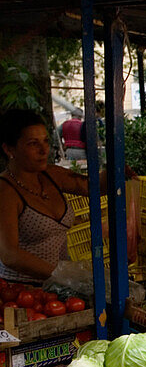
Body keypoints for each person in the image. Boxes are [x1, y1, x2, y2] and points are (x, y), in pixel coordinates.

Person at [0, 110, 99, 282]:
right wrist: (61, 275)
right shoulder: (5, 190)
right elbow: (10, 255)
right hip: (22, 292)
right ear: (9, 149)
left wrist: (119, 171)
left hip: (58, 288)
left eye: (45, 141)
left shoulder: (51, 174)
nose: (43, 150)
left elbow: (92, 186)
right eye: (33, 143)